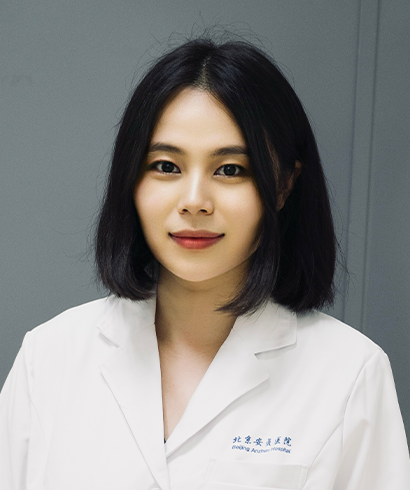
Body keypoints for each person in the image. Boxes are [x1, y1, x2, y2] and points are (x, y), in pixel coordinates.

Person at [0, 37, 409, 490]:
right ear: (131, 179)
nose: (194, 201)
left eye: (230, 169)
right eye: (166, 166)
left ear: (283, 185)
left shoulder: (350, 374)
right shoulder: (49, 359)